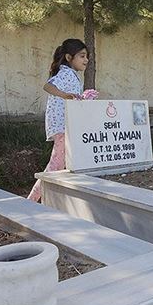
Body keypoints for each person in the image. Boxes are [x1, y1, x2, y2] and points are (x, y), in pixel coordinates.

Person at [28, 39, 89, 202]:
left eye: (86, 56)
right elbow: (48, 86)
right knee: (56, 165)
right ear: (69, 57)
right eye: (82, 56)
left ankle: (55, 200)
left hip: (67, 126)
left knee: (63, 164)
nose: (86, 60)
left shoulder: (72, 75)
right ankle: (31, 201)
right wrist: (64, 95)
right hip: (62, 126)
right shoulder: (65, 73)